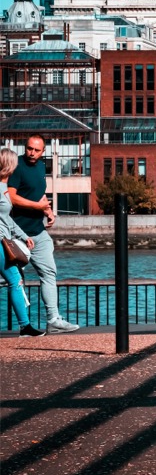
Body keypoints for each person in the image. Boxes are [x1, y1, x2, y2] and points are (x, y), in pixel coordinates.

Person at [7, 135, 79, 334]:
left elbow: (38, 192)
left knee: (49, 273)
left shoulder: (40, 167)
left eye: (36, 150)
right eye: (29, 148)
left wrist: (47, 210)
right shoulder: (16, 166)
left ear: (43, 152)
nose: (32, 153)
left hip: (38, 233)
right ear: (25, 147)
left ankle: (53, 320)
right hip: (15, 236)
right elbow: (11, 196)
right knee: (14, 281)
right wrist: (38, 206)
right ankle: (25, 326)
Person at [0, 148, 46, 337]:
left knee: (15, 280)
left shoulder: (4, 188)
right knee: (15, 280)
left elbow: (7, 220)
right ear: (9, 165)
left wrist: (23, 235)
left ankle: (25, 326)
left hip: (4, 239)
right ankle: (25, 326)